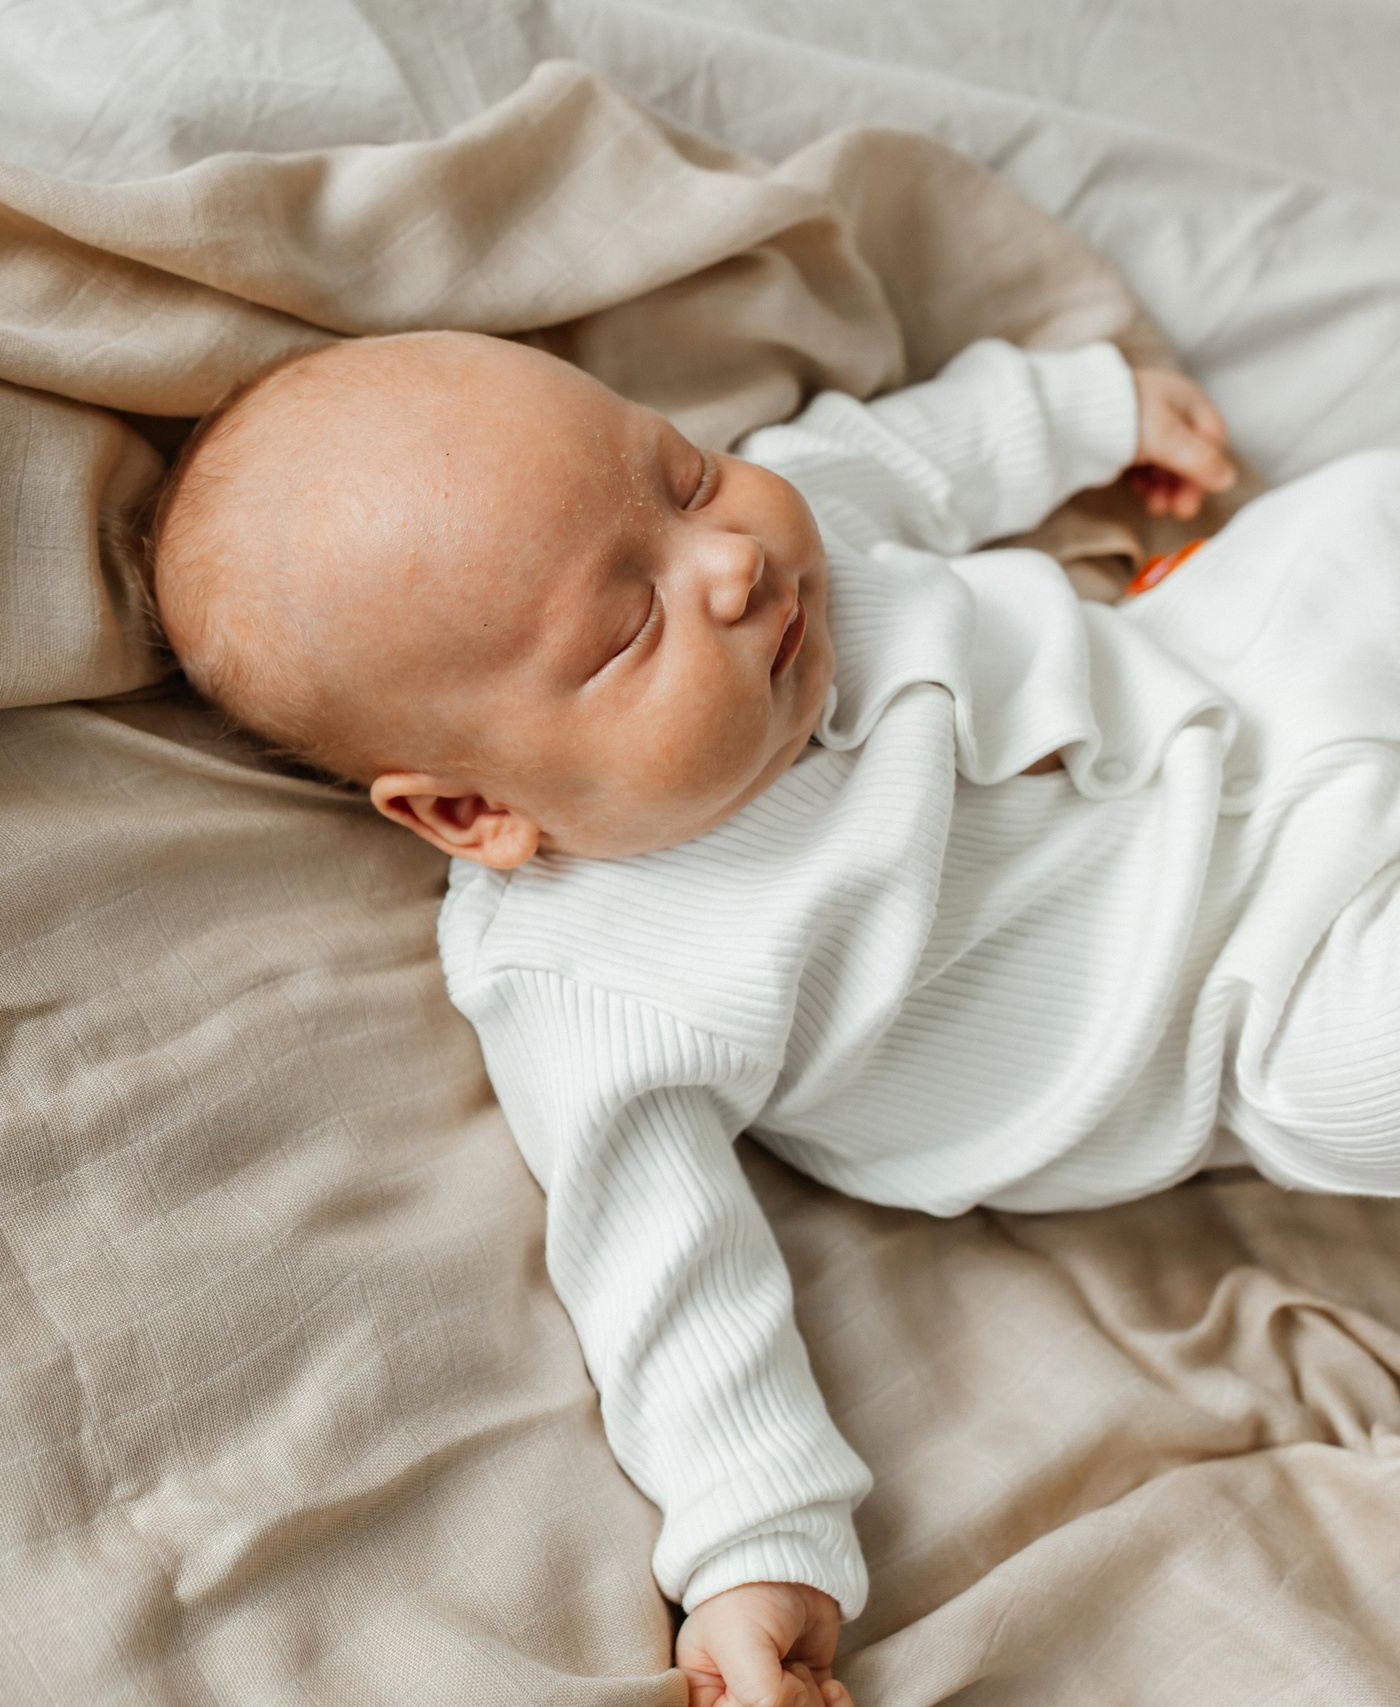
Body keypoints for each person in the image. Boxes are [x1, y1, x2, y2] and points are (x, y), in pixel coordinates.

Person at [147, 326, 1400, 1707]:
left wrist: (1087, 406)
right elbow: (665, 1273)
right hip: (1251, 987)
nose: (730, 561)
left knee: (1357, 520)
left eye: (683, 477)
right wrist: (756, 1548)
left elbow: (904, 453)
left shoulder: (796, 547)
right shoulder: (595, 978)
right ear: (473, 809)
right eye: (629, 628)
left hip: (1256, 672)